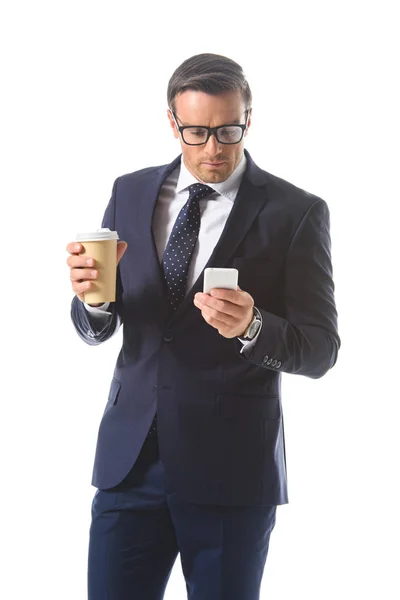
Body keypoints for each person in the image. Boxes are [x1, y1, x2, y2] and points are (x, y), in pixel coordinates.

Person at [66, 53, 340, 600]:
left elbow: (320, 349)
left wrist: (253, 326)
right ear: (172, 122)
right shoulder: (131, 191)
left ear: (249, 118)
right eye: (196, 132)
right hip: (129, 464)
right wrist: (92, 302)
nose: (213, 147)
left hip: (231, 473)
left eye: (228, 130)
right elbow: (103, 322)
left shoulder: (295, 211)